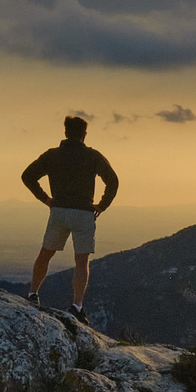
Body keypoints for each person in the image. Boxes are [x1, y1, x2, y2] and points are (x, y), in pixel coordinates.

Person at [22, 115, 119, 322]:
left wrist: (46, 199)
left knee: (45, 253)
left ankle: (32, 294)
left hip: (59, 211)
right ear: (84, 134)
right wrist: (102, 205)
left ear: (65, 132)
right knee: (81, 261)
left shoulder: (52, 155)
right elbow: (113, 180)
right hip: (83, 212)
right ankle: (77, 306)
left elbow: (27, 175)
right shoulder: (92, 156)